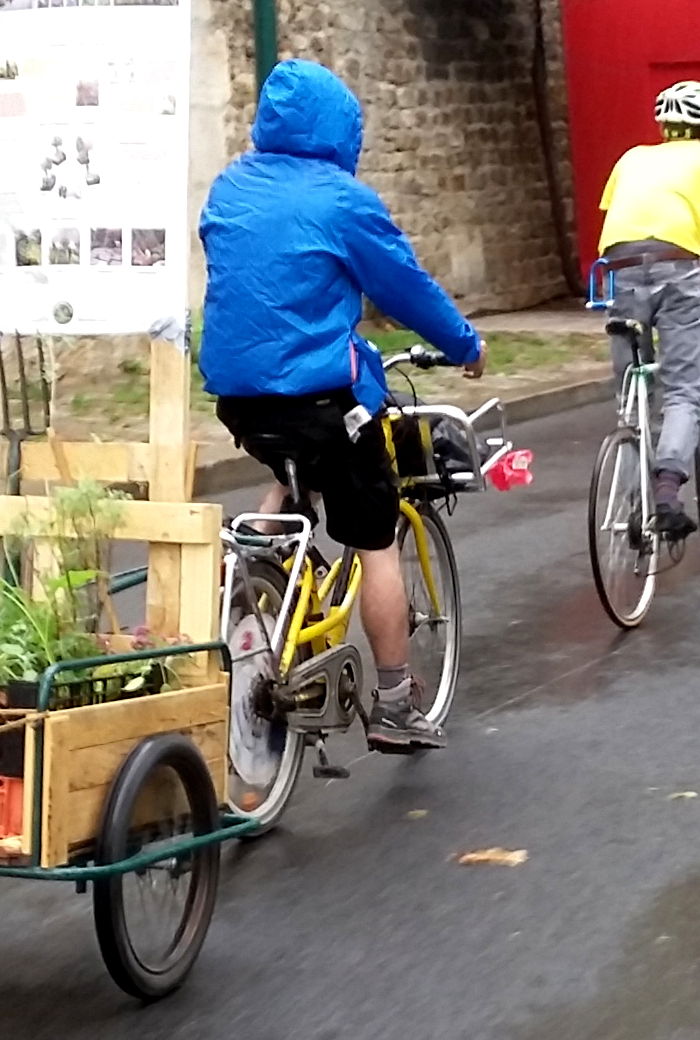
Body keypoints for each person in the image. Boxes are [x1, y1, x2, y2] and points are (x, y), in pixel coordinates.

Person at [199, 59, 485, 752]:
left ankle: (250, 571)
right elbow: (405, 286)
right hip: (323, 398)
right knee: (374, 534)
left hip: (238, 398)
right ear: (340, 129)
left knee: (291, 451)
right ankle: (393, 700)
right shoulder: (341, 199)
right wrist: (465, 343)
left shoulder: (230, 185)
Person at [597, 78, 700, 543]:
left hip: (619, 268)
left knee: (631, 392)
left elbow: (619, 221)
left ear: (661, 125)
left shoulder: (629, 159)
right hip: (677, 267)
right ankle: (666, 494)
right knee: (683, 390)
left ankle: (633, 504)